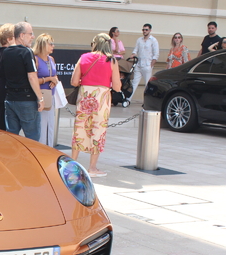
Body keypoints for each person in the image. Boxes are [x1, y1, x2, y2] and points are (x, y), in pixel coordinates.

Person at [70, 33, 121, 177]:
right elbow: (117, 86)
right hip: (102, 97)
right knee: (99, 130)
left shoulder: (84, 57)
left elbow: (74, 81)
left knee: (80, 127)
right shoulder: (111, 60)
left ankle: (73, 163)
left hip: (85, 95)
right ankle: (92, 167)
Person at [2, 22, 44, 141]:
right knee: (32, 138)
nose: (33, 37)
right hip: (26, 100)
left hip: (10, 98)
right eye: (30, 34)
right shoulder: (26, 52)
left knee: (12, 137)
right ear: (21, 35)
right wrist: (40, 98)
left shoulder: (6, 52)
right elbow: (32, 76)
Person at [33, 33, 59, 146]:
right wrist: (48, 79)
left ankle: (50, 147)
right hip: (40, 95)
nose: (53, 46)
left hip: (51, 95)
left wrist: (54, 80)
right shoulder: (36, 59)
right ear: (43, 45)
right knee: (42, 126)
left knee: (50, 125)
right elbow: (32, 79)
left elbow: (55, 75)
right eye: (50, 44)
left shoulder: (51, 59)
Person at [128, 23, 158, 103]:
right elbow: (136, 50)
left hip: (147, 65)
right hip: (139, 64)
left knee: (147, 85)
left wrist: (151, 66)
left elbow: (156, 54)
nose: (144, 31)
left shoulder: (153, 40)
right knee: (134, 83)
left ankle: (148, 101)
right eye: (143, 29)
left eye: (146, 30)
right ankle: (128, 99)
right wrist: (133, 54)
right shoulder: (139, 40)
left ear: (150, 30)